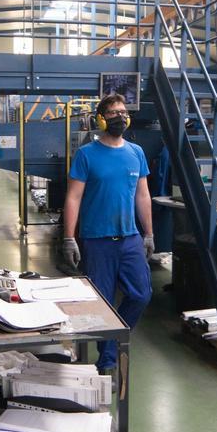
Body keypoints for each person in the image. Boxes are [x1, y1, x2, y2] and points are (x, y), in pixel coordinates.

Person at [62, 93, 154, 376]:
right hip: (97, 240)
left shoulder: (136, 153)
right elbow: (74, 197)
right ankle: (107, 361)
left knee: (141, 295)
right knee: (101, 304)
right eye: (113, 113)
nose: (120, 117)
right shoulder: (86, 154)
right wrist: (69, 237)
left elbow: (143, 195)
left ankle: (112, 345)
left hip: (129, 238)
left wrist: (148, 233)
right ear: (101, 118)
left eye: (124, 112)